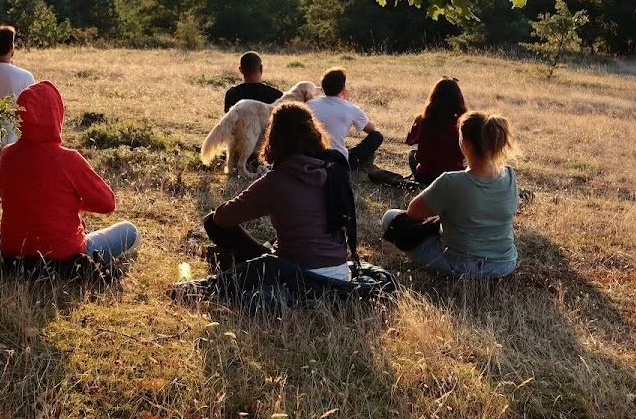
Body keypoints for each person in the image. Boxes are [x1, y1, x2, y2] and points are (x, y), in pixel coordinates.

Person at [203, 102, 352, 280]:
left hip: (294, 274)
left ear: (273, 137)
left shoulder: (275, 182)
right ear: (315, 133)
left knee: (211, 222)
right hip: (341, 272)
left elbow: (221, 217)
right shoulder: (333, 172)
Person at [0, 81, 139, 264]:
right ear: (55, 114)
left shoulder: (7, 154)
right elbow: (107, 203)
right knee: (130, 231)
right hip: (65, 257)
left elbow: (5, 193)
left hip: (12, 253)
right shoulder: (68, 159)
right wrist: (73, 204)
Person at [381, 111, 519, 278]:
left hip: (459, 265)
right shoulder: (510, 175)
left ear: (466, 145)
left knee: (390, 217)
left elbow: (413, 213)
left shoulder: (451, 181)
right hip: (504, 265)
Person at [306, 68, 383, 171]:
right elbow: (372, 130)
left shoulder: (309, 104)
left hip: (311, 157)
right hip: (338, 161)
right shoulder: (350, 108)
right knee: (377, 136)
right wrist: (347, 103)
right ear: (343, 89)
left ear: (323, 87)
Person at [404, 77, 468, 186]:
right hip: (454, 178)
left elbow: (409, 140)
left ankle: (416, 180)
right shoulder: (464, 123)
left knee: (411, 154)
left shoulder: (423, 119)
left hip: (426, 176)